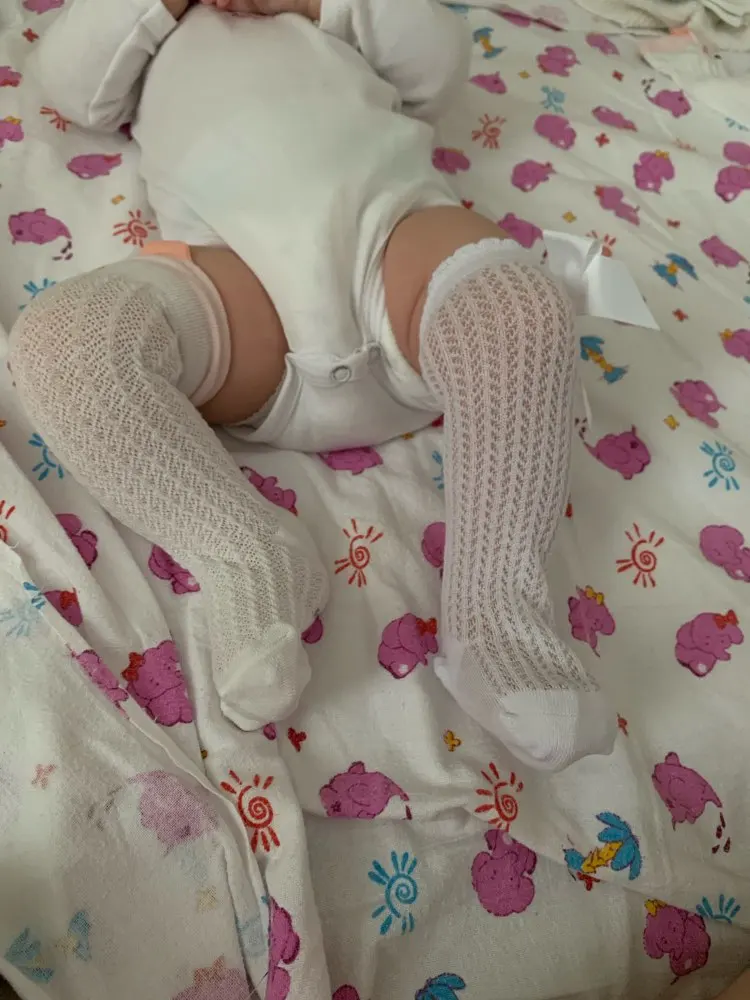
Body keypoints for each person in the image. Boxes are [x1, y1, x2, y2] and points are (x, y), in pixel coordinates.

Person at [10, 0, 631, 770]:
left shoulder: (338, 18)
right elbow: (70, 83)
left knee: (518, 308)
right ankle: (249, 553)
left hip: (394, 243)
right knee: (66, 342)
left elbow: (438, 65)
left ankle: (496, 610)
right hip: (238, 291)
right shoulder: (151, 32)